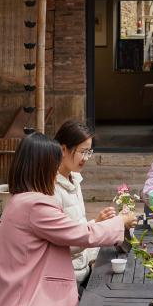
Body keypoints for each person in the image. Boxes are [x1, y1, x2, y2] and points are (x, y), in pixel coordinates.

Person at [0, 134, 136, 306]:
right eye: (54, 165)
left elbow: (71, 234)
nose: (57, 172)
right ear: (42, 168)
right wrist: (120, 221)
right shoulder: (35, 205)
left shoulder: (20, 200)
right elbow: (82, 234)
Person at [53, 119, 117, 284]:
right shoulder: (52, 188)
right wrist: (101, 227)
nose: (86, 158)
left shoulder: (74, 178)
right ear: (63, 149)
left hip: (82, 268)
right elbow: (65, 243)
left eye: (89, 152)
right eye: (83, 152)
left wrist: (98, 223)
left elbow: (76, 230)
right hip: (67, 277)